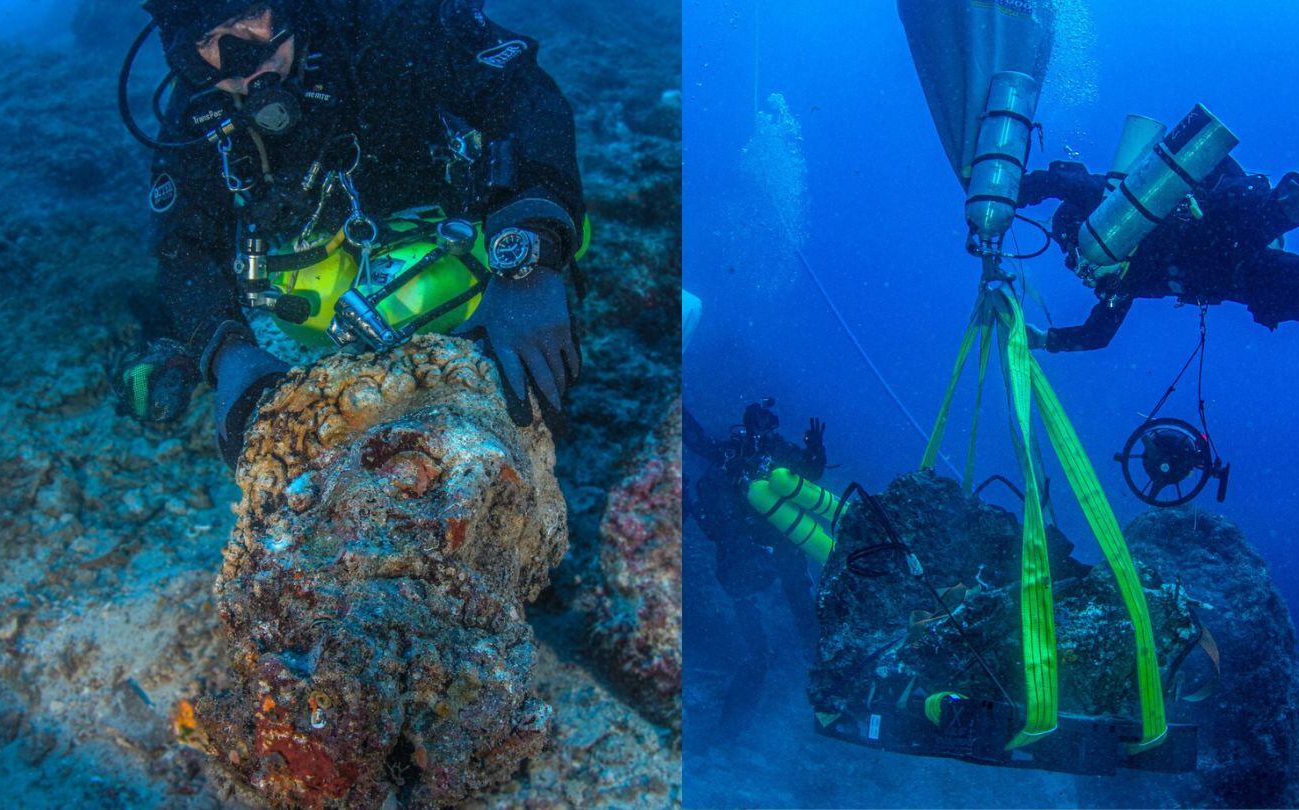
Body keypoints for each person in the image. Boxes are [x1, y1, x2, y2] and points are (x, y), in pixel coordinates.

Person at [111, 0, 584, 465]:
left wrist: (530, 256)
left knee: (568, 245)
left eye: (249, 18)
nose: (239, 57)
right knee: (301, 303)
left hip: (460, 215)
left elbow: (525, 98)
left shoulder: (389, 16)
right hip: (343, 252)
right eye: (208, 40)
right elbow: (185, 242)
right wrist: (225, 351)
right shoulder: (200, 106)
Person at [1024, 104, 1299, 352]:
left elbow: (1063, 183)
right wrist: (1042, 340)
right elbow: (1098, 335)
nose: (1076, 254)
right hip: (1233, 274)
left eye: (1071, 243)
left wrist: (1010, 193)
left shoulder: (1110, 211)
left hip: (1221, 227)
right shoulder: (1116, 279)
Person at [683, 398, 827, 724]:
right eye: (757, 421)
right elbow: (696, 440)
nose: (763, 429)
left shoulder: (781, 453)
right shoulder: (732, 453)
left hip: (778, 546)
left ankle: (825, 681)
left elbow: (812, 472)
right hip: (745, 554)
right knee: (760, 646)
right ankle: (733, 724)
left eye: (768, 422)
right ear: (747, 423)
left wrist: (817, 449)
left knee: (804, 619)